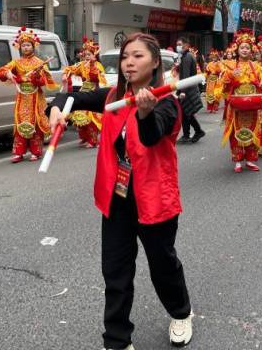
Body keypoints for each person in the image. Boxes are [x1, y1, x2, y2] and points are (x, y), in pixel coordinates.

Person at [48, 33, 193, 350]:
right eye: (126, 56)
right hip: (118, 198)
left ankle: (181, 313)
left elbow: (154, 136)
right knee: (115, 272)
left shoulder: (166, 100)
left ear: (155, 63)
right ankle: (116, 340)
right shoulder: (113, 95)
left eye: (138, 56)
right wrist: (56, 110)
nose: (129, 61)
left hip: (154, 200)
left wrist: (144, 112)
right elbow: (72, 97)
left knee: (163, 266)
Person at [0, 27, 57, 163]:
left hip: (36, 98)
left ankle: (36, 152)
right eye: (23, 45)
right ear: (20, 47)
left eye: (28, 45)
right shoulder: (16, 62)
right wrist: (8, 73)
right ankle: (19, 152)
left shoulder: (39, 63)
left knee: (35, 124)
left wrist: (35, 77)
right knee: (21, 123)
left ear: (33, 46)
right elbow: (2, 71)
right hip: (22, 98)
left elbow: (43, 82)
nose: (26, 47)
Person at [215, 29, 262, 172]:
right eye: (242, 48)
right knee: (235, 131)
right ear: (237, 49)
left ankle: (250, 160)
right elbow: (222, 87)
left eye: (247, 48)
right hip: (236, 106)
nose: (245, 50)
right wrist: (232, 76)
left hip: (252, 105)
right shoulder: (231, 66)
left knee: (253, 129)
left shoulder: (257, 67)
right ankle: (237, 160)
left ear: (251, 51)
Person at [62, 38, 107, 148]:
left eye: (89, 54)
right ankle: (85, 137)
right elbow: (70, 69)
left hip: (93, 93)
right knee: (78, 115)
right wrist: (65, 74)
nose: (87, 56)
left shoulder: (98, 65)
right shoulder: (81, 65)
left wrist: (92, 64)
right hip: (83, 91)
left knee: (90, 118)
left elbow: (96, 77)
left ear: (94, 55)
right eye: (85, 54)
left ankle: (93, 140)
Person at [175, 37, 205, 143]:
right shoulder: (185, 56)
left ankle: (197, 131)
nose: (178, 46)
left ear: (186, 45)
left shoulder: (187, 57)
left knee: (186, 112)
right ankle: (188, 134)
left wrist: (182, 91)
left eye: (180, 44)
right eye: (177, 44)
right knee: (186, 113)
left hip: (188, 89)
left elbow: (186, 76)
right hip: (187, 87)